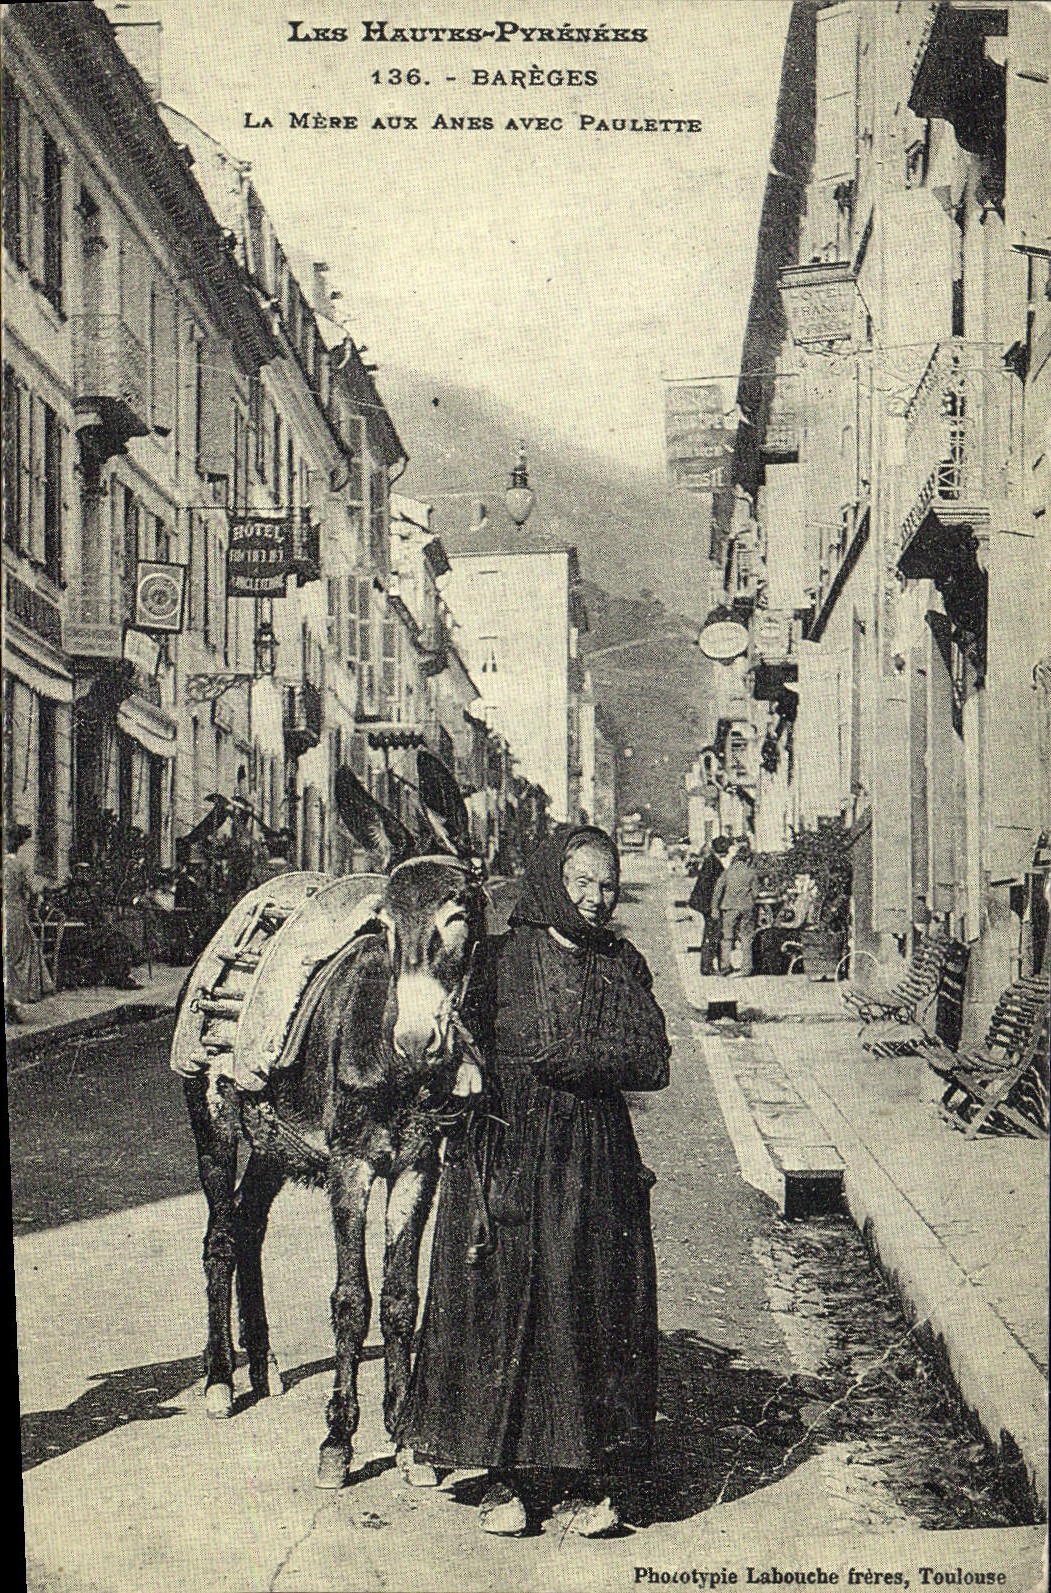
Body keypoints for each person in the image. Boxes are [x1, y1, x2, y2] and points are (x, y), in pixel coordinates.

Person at [397, 824, 671, 1538]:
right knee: (500, 1306)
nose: (596, 898)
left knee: (589, 1306)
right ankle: (505, 1478)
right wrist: (463, 1072)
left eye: (607, 884)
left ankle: (587, 1480)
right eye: (581, 882)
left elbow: (652, 1060)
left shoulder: (623, 962)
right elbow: (451, 1042)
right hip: (507, 1151)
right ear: (553, 880)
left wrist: (580, 1061)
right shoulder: (497, 959)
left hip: (594, 1160)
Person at [4, 824, 54, 1020]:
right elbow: (34, 892)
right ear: (19, 844)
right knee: (19, 957)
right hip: (15, 915)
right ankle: (11, 1004)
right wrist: (32, 909)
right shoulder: (20, 865)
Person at [711, 837, 759, 977]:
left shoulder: (728, 872)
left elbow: (718, 891)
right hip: (746, 907)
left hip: (729, 907)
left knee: (727, 938)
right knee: (746, 937)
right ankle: (746, 968)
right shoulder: (751, 873)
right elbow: (756, 893)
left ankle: (725, 966)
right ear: (747, 859)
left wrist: (715, 908)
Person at [687, 835, 733, 975]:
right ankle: (707, 966)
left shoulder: (711, 861)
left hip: (706, 903)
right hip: (708, 904)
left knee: (712, 933)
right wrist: (713, 908)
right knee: (712, 935)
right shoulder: (713, 864)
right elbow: (709, 888)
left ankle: (714, 964)